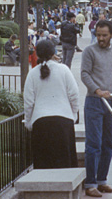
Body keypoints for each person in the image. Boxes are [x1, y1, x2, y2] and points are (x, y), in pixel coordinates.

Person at [81, 20, 112, 197]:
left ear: (111, 35)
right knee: (94, 143)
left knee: (108, 142)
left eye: (104, 35)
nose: (100, 38)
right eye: (98, 35)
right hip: (94, 101)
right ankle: (90, 183)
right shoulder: (89, 51)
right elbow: (84, 73)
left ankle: (102, 180)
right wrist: (97, 90)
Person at [24, 39, 80, 169]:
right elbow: (74, 94)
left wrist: (28, 121)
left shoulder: (32, 73)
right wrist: (73, 114)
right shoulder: (64, 70)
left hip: (40, 122)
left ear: (37, 54)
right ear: (53, 52)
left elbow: (28, 102)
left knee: (44, 163)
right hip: (64, 121)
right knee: (65, 164)